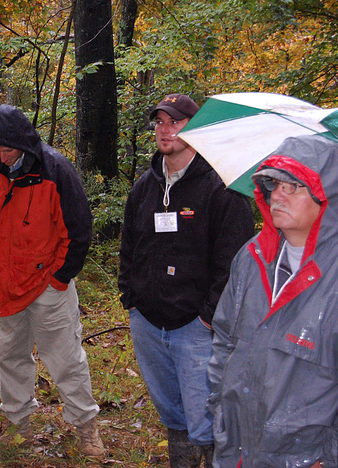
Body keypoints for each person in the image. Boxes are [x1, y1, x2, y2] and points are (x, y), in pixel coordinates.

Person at [118, 94, 255, 466]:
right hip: (147, 319)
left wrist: (209, 316)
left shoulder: (221, 189)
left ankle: (213, 459)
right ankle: (180, 460)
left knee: (206, 413)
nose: (166, 130)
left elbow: (235, 260)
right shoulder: (145, 186)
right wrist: (129, 297)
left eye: (175, 122)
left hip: (196, 327)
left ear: (195, 129)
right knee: (170, 408)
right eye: (160, 122)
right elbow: (129, 243)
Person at [0, 104, 105, 457]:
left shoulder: (55, 169)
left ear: (26, 142)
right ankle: (19, 426)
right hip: (1, 285)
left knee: (65, 359)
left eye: (8, 148)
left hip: (47, 285)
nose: (3, 154)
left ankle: (86, 426)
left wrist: (59, 279)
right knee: (7, 356)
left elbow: (78, 232)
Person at [208, 134, 338, 468]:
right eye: (274, 184)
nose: (278, 194)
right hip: (237, 446)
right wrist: (220, 409)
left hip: (305, 456)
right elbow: (224, 339)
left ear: (328, 196)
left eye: (294, 186)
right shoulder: (251, 258)